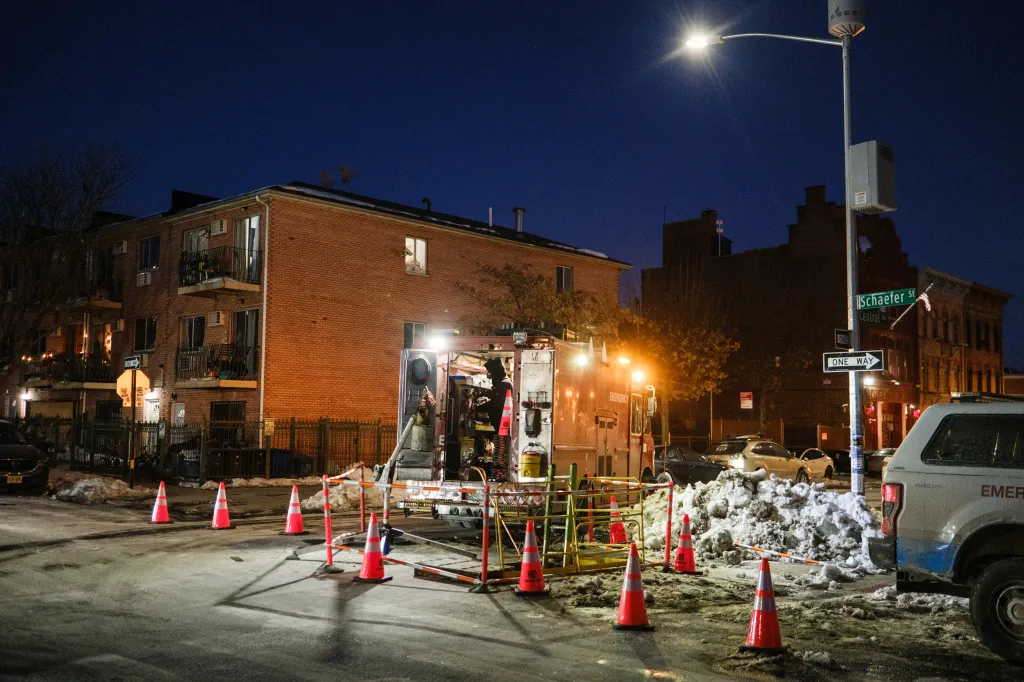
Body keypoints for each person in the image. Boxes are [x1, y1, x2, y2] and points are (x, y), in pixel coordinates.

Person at [476, 357, 513, 429]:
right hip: (503, 421)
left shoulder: (503, 384)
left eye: (490, 372)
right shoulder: (506, 382)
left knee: (501, 440)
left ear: (496, 372)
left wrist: (478, 408)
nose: (490, 376)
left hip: (502, 422)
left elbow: (495, 404)